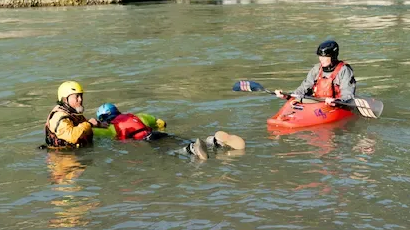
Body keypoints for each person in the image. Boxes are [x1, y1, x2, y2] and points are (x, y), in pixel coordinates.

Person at [94, 103, 246, 160]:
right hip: (157, 133)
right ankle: (213, 142)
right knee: (178, 139)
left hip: (147, 140)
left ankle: (191, 150)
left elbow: (97, 134)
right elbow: (160, 123)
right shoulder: (138, 116)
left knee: (170, 151)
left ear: (105, 119)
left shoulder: (112, 128)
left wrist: (91, 125)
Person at [275, 40, 356, 106]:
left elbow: (347, 94)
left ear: (333, 56)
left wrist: (337, 101)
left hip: (336, 105)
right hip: (317, 103)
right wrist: (288, 96)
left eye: (324, 57)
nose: (321, 59)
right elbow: (304, 88)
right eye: (320, 56)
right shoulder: (316, 69)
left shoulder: (344, 70)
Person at [43, 80, 97, 149]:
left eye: (81, 95)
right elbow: (71, 137)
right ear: (65, 99)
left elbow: (84, 124)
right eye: (76, 96)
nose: (80, 99)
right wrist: (90, 124)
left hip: (78, 152)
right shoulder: (59, 117)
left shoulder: (72, 113)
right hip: (63, 157)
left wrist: (98, 123)